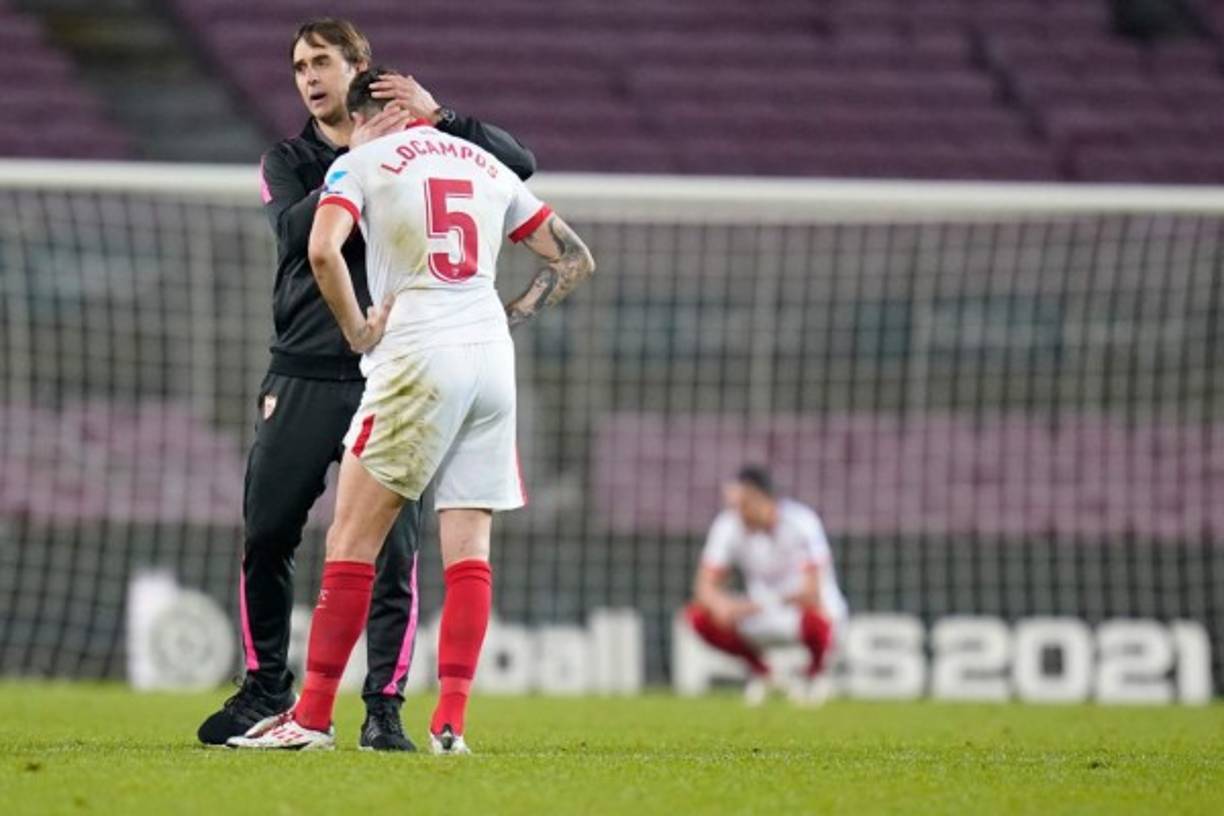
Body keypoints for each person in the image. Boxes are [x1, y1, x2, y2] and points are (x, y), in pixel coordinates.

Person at [228, 67, 595, 753]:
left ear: (363, 112)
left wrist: (360, 328)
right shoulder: (484, 162)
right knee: (468, 550)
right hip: (490, 362)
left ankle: (309, 718)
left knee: (350, 542)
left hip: (418, 356)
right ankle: (450, 722)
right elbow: (574, 260)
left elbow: (319, 247)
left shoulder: (361, 162)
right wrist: (509, 316)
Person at [684, 466, 848, 706]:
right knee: (697, 615)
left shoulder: (802, 522)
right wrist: (721, 605)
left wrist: (752, 606)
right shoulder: (729, 524)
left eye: (743, 504)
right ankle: (765, 673)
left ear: (762, 499)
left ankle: (814, 677)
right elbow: (704, 586)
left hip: (802, 611)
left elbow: (811, 593)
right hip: (761, 614)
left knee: (819, 618)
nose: (738, 512)